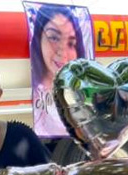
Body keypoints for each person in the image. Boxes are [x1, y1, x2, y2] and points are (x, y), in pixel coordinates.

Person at [30, 5, 85, 137]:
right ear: (38, 39)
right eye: (54, 38)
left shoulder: (79, 96)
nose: (63, 52)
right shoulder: (35, 95)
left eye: (71, 44)